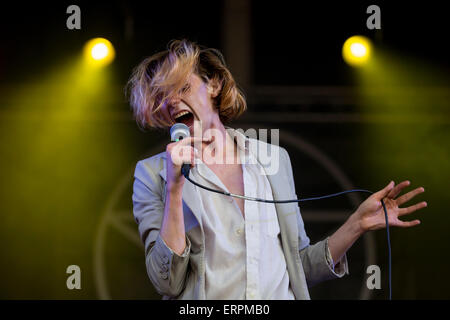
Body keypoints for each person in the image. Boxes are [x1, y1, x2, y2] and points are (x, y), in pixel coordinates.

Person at [127, 39, 427, 300]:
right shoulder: (153, 174)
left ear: (214, 85)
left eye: (182, 87)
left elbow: (299, 265)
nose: (172, 102)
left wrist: (357, 224)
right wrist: (175, 189)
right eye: (160, 98)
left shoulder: (273, 159)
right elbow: (166, 280)